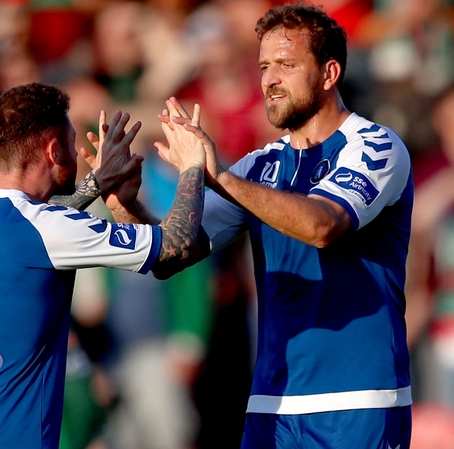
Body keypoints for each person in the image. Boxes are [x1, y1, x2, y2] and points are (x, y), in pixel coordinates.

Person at [97, 3, 414, 448]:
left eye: (286, 64)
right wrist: (125, 203)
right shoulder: (260, 165)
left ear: (329, 73)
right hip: (272, 403)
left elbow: (322, 226)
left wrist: (220, 176)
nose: (269, 79)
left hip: (356, 401)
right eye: (264, 65)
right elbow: (172, 253)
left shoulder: (377, 146)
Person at [0, 82, 208, 449]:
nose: (79, 152)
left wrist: (97, 182)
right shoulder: (46, 230)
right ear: (53, 150)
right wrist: (192, 165)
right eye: (73, 141)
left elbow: (34, 231)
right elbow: (178, 244)